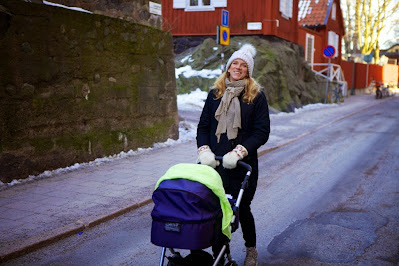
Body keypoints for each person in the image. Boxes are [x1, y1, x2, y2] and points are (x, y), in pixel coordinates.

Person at [196, 44, 270, 266]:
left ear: (248, 71)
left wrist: (239, 152)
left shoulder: (256, 96)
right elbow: (203, 127)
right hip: (216, 165)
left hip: (242, 165)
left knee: (241, 208)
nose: (238, 67)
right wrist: (205, 150)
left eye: (243, 65)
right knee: (218, 210)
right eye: (235, 63)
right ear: (228, 68)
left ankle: (251, 249)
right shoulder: (215, 94)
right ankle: (221, 255)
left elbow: (261, 132)